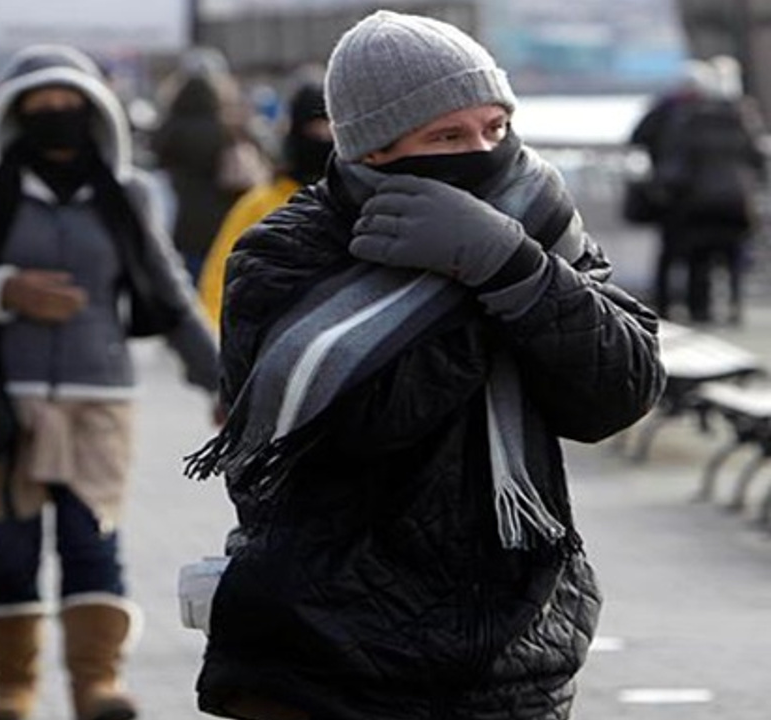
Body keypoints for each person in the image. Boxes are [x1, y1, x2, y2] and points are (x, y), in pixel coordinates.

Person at [184, 11, 665, 719]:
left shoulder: (537, 227)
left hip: (513, 646)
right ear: (375, 148)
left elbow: (618, 392)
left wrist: (517, 270)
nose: (484, 151)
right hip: (325, 651)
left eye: (495, 127)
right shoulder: (284, 252)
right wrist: (482, 287)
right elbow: (362, 425)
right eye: (448, 137)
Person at [0, 45, 220, 720]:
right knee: (8, 545)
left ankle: (96, 683)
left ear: (96, 111)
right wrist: (3, 289)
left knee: (92, 539)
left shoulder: (126, 194)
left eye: (69, 103)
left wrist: (224, 384)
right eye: (39, 105)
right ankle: (12, 686)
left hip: (98, 398)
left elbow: (169, 295)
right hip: (1, 399)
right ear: (14, 115)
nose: (56, 115)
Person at [629, 58, 764, 324]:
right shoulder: (741, 118)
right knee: (731, 254)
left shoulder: (684, 117)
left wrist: (662, 187)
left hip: (694, 199)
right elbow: (756, 157)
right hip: (736, 198)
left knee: (694, 256)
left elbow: (669, 157)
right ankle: (733, 306)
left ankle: (693, 309)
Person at [197, 78, 332, 328]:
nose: (324, 138)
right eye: (315, 129)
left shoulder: (363, 202)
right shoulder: (259, 206)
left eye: (331, 129)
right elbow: (220, 277)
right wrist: (219, 336)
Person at [152, 49, 269, 282]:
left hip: (184, 219)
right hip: (228, 216)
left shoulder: (169, 129)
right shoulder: (228, 127)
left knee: (192, 280)